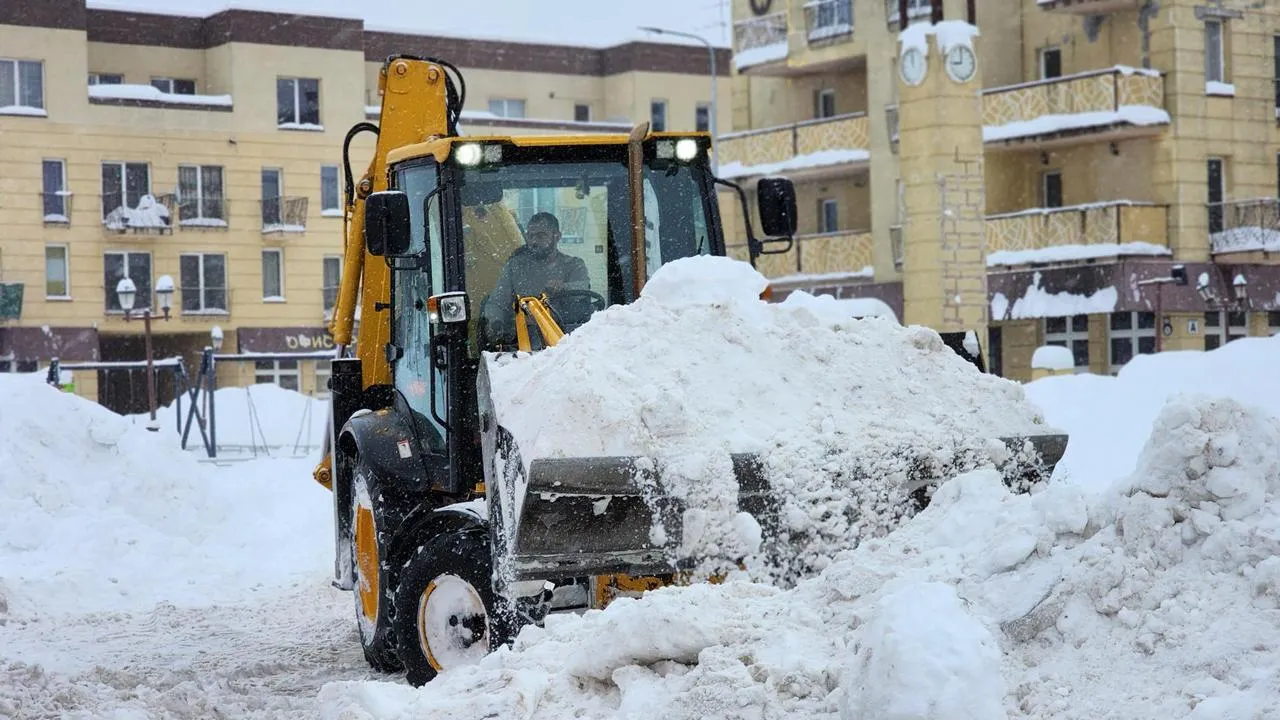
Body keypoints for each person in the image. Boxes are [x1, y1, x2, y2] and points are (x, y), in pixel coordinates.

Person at [480, 211, 590, 345]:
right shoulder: (515, 267)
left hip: (565, 343)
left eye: (541, 236)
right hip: (521, 345)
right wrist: (496, 323)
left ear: (557, 236)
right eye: (530, 236)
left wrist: (564, 288)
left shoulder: (573, 265)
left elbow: (582, 290)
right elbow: (497, 303)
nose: (534, 241)